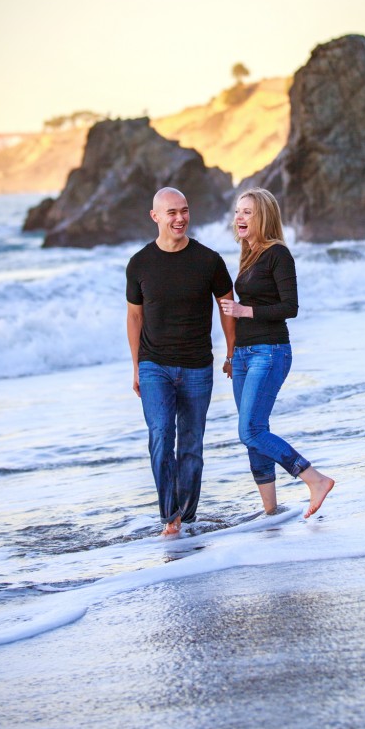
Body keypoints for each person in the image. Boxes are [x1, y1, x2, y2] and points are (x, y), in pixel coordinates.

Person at [126, 187, 235, 536]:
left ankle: (186, 519)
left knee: (191, 445)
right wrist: (136, 366)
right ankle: (169, 518)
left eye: (184, 210)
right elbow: (134, 317)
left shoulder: (209, 261)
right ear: (155, 216)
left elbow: (227, 305)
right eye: (171, 212)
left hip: (197, 366)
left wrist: (231, 352)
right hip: (154, 364)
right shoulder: (140, 263)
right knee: (160, 435)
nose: (180, 218)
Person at [219, 188, 335, 518]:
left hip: (269, 352)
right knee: (254, 432)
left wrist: (244, 311)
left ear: (264, 216)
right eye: (237, 211)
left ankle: (314, 478)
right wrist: (231, 355)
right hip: (244, 355)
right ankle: (271, 511)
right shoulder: (249, 253)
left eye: (247, 212)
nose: (239, 218)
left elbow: (290, 307)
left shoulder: (278, 254)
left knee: (251, 431)